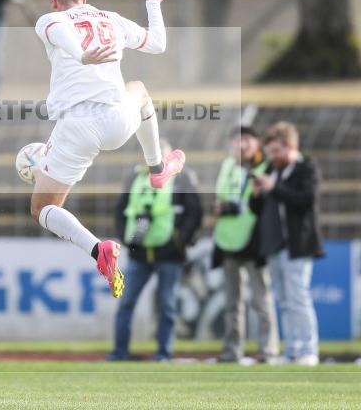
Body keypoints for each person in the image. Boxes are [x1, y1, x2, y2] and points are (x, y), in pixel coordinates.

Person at [30, 0, 185, 299]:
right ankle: (157, 169)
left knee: (43, 208)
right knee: (140, 90)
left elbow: (60, 32)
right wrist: (153, 3)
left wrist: (81, 54)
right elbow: (158, 44)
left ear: (54, 1)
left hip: (76, 125)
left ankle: (98, 249)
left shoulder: (49, 19)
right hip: (116, 120)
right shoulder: (110, 19)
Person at [108, 139, 202, 361]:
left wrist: (178, 240)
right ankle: (120, 352)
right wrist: (127, 239)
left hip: (169, 254)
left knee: (167, 305)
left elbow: (194, 213)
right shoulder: (135, 178)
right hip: (139, 254)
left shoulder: (182, 179)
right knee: (126, 302)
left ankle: (163, 353)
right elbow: (121, 211)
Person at [249, 121, 324, 366]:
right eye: (270, 152)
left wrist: (274, 188)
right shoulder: (273, 169)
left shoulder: (306, 168)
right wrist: (258, 193)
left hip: (297, 245)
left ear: (291, 147)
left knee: (299, 297)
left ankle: (308, 349)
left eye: (277, 151)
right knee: (283, 300)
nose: (273, 156)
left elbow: (306, 199)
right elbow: (257, 209)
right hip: (275, 245)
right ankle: (291, 350)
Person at [212, 125, 279, 364]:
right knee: (232, 302)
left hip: (256, 241)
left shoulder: (266, 168)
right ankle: (232, 350)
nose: (242, 145)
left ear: (257, 143)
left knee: (261, 300)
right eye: (237, 141)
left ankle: (268, 350)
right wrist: (222, 207)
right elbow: (222, 197)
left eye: (247, 140)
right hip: (230, 240)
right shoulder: (228, 166)